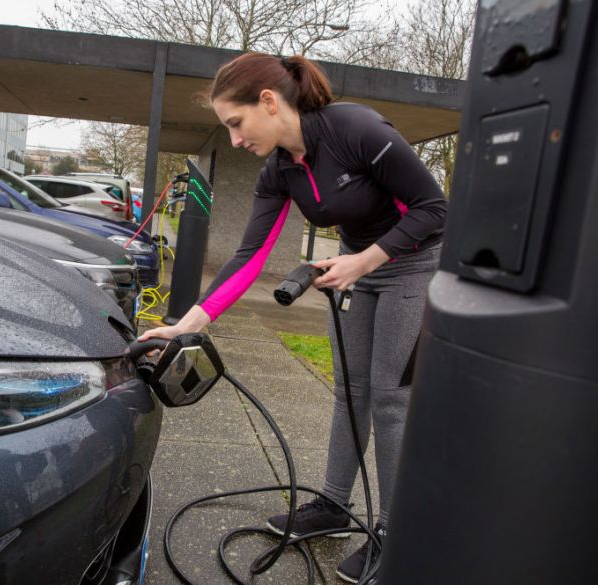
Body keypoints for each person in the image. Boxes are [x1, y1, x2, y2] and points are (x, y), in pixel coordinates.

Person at [139, 51, 447, 582]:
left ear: (268, 101)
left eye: (236, 124)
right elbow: (249, 255)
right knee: (350, 392)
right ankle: (331, 505)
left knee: (391, 400)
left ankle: (397, 533)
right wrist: (187, 323)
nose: (234, 139)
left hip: (414, 264)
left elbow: (434, 207)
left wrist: (365, 260)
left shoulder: (355, 129)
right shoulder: (280, 169)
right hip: (355, 269)